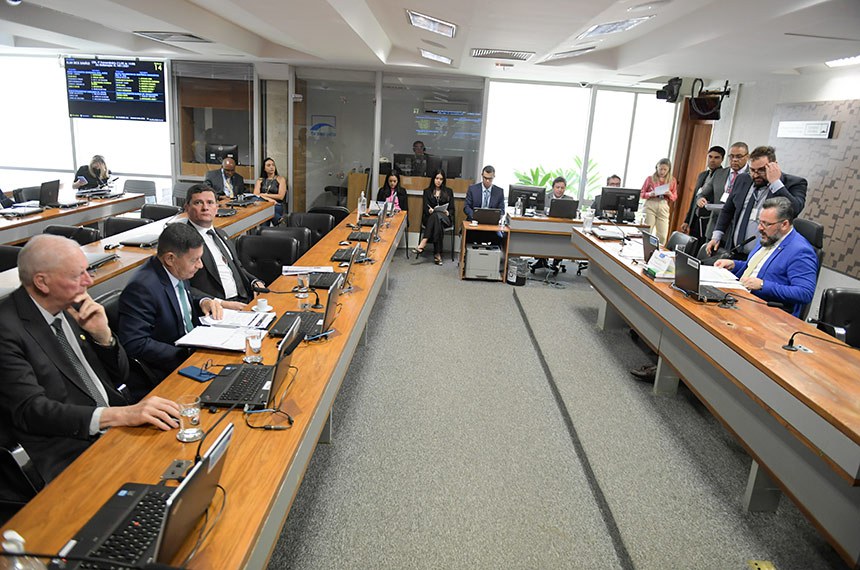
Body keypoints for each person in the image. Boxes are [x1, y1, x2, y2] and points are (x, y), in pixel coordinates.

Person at [0, 235, 181, 482]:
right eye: (77, 275)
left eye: (87, 271)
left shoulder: (71, 306)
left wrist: (103, 336)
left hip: (115, 425)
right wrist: (120, 415)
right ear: (42, 282)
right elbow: (32, 411)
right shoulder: (6, 328)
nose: (89, 281)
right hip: (68, 450)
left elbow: (120, 376)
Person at [118, 223, 224, 385]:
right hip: (170, 369)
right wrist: (185, 353)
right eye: (194, 260)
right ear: (170, 258)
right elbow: (135, 343)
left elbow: (178, 297)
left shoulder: (175, 271)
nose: (200, 265)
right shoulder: (142, 288)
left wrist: (204, 301)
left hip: (197, 354)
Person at [714, 196, 817, 318]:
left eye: (766, 224)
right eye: (760, 222)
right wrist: (734, 265)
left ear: (784, 224)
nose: (759, 228)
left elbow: (804, 293)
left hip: (768, 314)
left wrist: (763, 285)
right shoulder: (768, 236)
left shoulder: (800, 251)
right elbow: (755, 267)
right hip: (741, 299)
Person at [706, 145, 808, 259]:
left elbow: (795, 209)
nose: (755, 175)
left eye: (761, 170)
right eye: (752, 170)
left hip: (765, 256)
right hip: (735, 251)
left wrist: (775, 182)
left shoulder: (794, 183)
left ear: (774, 165)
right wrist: (716, 236)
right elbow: (728, 210)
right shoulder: (743, 179)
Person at [183, 184, 264, 306]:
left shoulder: (221, 234)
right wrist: (221, 304)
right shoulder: (183, 239)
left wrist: (254, 281)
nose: (205, 207)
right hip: (217, 308)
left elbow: (237, 267)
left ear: (217, 207)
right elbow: (182, 286)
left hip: (244, 300)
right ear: (187, 207)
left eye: (210, 202)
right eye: (198, 203)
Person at [691, 142, 749, 242]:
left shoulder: (751, 176)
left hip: (734, 230)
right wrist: (700, 199)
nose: (734, 160)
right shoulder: (719, 174)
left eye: (739, 156)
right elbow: (702, 193)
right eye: (731, 156)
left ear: (747, 156)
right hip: (714, 226)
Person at [680, 146, 726, 241]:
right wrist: (687, 220)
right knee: (692, 247)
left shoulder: (724, 176)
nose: (712, 160)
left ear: (722, 159)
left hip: (710, 220)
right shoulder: (703, 175)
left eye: (716, 157)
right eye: (710, 157)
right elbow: (695, 198)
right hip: (696, 218)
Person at [413, 169, 454, 265]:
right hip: (430, 218)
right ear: (433, 179)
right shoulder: (427, 191)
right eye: (437, 178)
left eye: (441, 179)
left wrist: (448, 212)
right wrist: (429, 210)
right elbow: (425, 208)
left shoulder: (448, 191)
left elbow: (452, 209)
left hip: (445, 218)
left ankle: (424, 241)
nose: (438, 181)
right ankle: (437, 254)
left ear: (443, 180)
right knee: (436, 218)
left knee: (437, 217)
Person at [640, 158, 677, 244]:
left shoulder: (672, 180)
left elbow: (674, 197)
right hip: (651, 203)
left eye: (665, 169)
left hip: (663, 204)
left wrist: (669, 194)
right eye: (660, 169)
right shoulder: (650, 179)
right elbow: (641, 193)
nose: (662, 171)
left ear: (668, 170)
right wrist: (649, 194)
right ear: (657, 167)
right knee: (647, 230)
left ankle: (658, 253)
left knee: (663, 234)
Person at [253, 157, 288, 222]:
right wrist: (270, 200)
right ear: (264, 168)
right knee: (256, 201)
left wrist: (263, 195)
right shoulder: (260, 180)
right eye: (268, 165)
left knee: (263, 213)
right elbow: (255, 195)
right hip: (265, 204)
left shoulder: (281, 179)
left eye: (273, 165)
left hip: (276, 205)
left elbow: (281, 196)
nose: (271, 167)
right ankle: (277, 218)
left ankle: (262, 230)